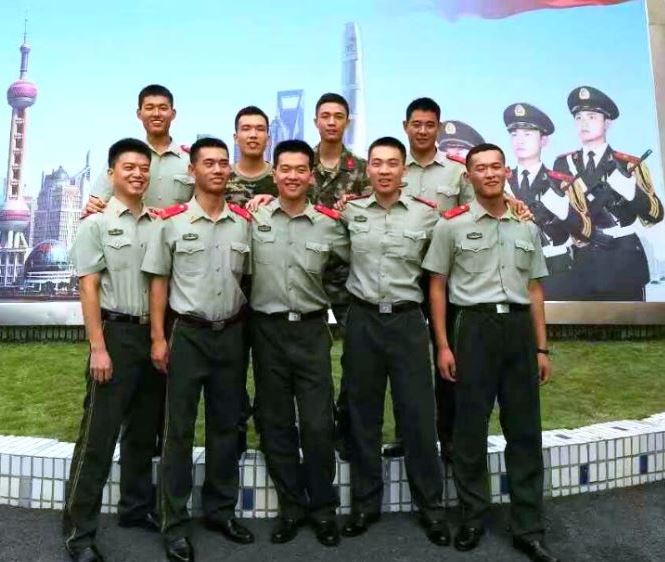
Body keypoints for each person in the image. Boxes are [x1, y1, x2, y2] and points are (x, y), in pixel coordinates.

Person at [424, 143, 559, 562]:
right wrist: (443, 345)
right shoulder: (451, 226)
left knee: (525, 430)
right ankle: (473, 517)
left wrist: (541, 347)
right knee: (469, 430)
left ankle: (528, 528)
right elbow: (437, 286)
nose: (489, 173)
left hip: (518, 331)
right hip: (474, 329)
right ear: (468, 177)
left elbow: (535, 289)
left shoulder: (526, 227)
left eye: (496, 166)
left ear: (506, 172)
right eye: (480, 168)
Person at [142, 137, 253, 562]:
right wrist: (158, 337)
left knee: (226, 427)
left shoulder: (243, 223)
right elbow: (158, 282)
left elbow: (250, 279)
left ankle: (220, 511)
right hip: (187, 334)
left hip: (231, 335)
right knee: (179, 431)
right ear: (192, 171)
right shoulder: (171, 223)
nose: (218, 169)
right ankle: (174, 523)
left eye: (224, 163)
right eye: (209, 163)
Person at [340, 136, 449, 546]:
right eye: (377, 163)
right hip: (362, 320)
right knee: (362, 414)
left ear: (404, 169)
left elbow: (451, 249)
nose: (384, 170)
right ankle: (365, 504)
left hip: (407, 321)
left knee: (418, 415)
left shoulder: (427, 215)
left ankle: (431, 508)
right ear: (367, 169)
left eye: (392, 163)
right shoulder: (349, 211)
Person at [63, 139, 159, 562]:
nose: (137, 174)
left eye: (143, 168)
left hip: (150, 336)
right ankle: (78, 533)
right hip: (113, 335)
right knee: (98, 439)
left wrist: (159, 338)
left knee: (143, 432)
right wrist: (97, 348)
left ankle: (135, 509)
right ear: (111, 174)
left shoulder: (157, 224)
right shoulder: (96, 224)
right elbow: (89, 288)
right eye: (128, 167)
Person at [250, 139, 349, 547]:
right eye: (285, 169)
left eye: (300, 169)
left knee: (318, 423)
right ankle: (291, 507)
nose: (292, 176)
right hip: (266, 331)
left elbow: (348, 267)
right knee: (275, 422)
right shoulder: (252, 218)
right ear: (274, 174)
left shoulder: (330, 225)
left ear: (311, 176)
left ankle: (323, 509)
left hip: (311, 331)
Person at [399, 97, 475, 461]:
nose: (423, 130)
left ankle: (450, 437)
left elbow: (476, 210)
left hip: (446, 277)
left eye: (430, 124)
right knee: (406, 363)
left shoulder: (456, 172)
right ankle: (408, 436)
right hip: (404, 276)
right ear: (406, 127)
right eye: (416, 124)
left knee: (448, 358)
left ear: (439, 128)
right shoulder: (393, 167)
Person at [553, 86, 664, 301]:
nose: (584, 123)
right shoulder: (563, 164)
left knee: (626, 320)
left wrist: (630, 191)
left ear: (607, 123)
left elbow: (655, 214)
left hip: (622, 260)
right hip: (582, 261)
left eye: (592, 117)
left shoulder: (627, 164)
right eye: (578, 117)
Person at [504, 102, 591, 300]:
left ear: (544, 140)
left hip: (556, 270)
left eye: (528, 134)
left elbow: (585, 232)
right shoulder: (501, 183)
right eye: (514, 134)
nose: (520, 140)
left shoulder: (562, 183)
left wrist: (564, 211)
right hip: (512, 271)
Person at [86, 84, 191, 213]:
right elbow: (96, 203)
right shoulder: (122, 156)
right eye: (149, 108)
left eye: (163, 108)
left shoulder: (191, 160)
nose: (156, 114)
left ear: (173, 114)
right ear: (139, 114)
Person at [226, 105, 278, 206]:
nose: (253, 135)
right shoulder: (221, 176)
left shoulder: (282, 177)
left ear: (268, 139)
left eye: (260, 129)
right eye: (246, 129)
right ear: (236, 138)